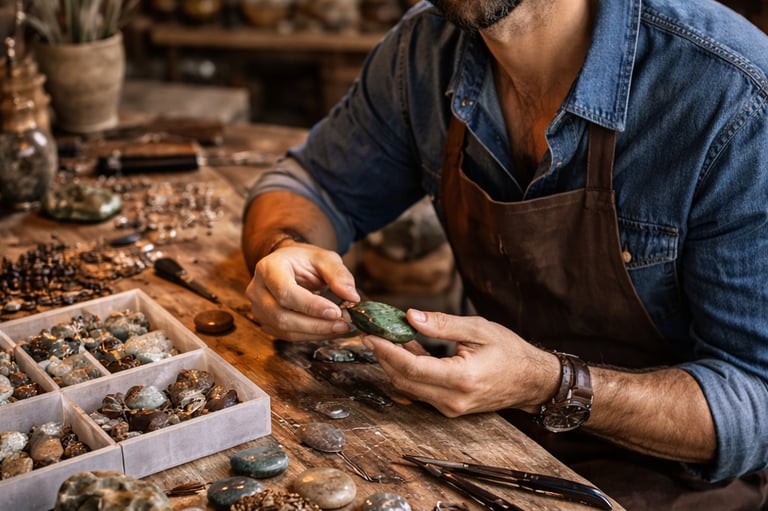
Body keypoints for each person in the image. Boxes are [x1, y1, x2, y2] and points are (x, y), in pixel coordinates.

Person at [241, 0, 768, 508]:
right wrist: (282, 247)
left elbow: (756, 399)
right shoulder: (423, 51)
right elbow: (312, 184)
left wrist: (547, 384)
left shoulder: (731, 96)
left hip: (670, 485)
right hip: (489, 440)